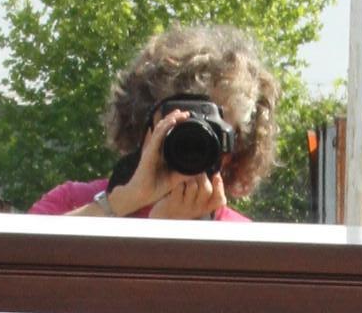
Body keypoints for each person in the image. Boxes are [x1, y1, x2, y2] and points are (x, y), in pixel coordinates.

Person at [30, 23, 279, 221]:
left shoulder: (244, 242)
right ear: (143, 127)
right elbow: (18, 264)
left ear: (235, 147)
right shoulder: (72, 205)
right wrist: (119, 205)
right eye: (177, 124)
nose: (194, 140)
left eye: (212, 129)